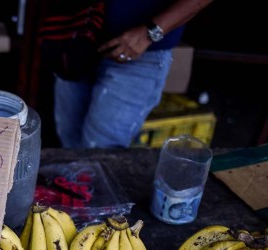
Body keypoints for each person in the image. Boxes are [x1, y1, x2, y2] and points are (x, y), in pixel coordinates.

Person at [53, 0, 213, 148]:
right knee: (69, 139)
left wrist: (150, 32)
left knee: (100, 148)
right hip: (76, 37)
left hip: (140, 51)